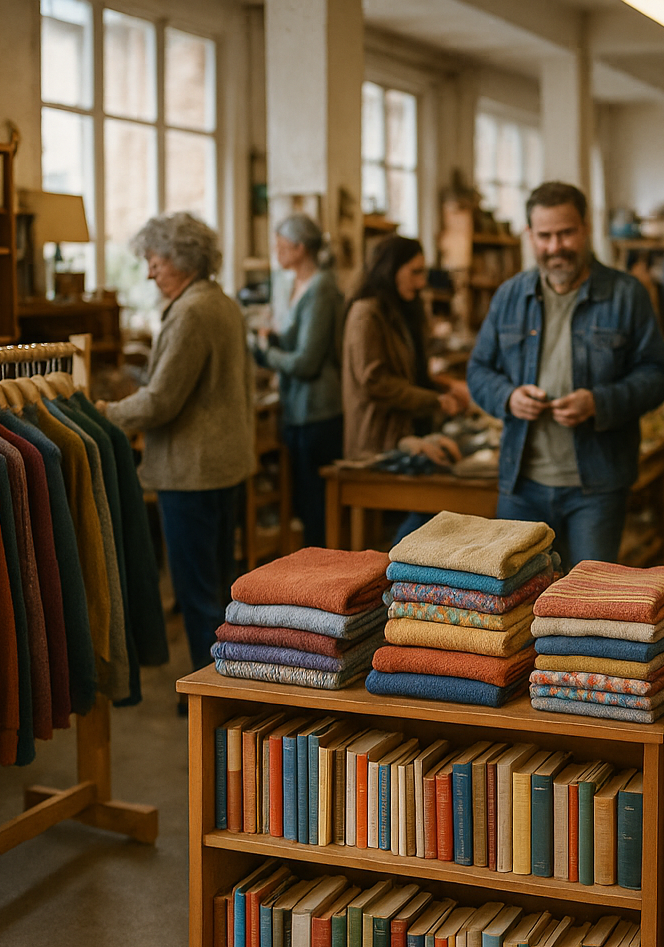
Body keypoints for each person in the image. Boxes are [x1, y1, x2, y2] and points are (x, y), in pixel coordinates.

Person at [467, 181, 664, 566]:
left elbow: (657, 375)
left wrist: (599, 403)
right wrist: (508, 397)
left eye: (566, 233)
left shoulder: (627, 294)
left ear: (586, 228)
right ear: (529, 235)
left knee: (587, 595)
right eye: (544, 236)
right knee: (517, 596)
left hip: (597, 488)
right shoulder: (509, 296)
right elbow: (478, 370)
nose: (555, 247)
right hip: (521, 486)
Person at [102, 212, 254, 681]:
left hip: (192, 473)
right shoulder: (221, 302)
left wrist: (102, 413)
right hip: (223, 466)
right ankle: (228, 687)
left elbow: (161, 401)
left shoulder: (190, 311)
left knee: (197, 594)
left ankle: (208, 695)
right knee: (221, 588)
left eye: (155, 261)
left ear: (182, 259)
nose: (149, 273)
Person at [252, 213, 344, 549]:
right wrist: (274, 340)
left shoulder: (321, 288)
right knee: (305, 505)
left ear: (300, 248)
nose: (276, 251)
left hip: (317, 410)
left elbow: (306, 362)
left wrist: (266, 353)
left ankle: (323, 575)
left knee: (316, 507)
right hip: (299, 408)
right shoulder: (297, 285)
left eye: (281, 245)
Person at [341, 233, 466, 462]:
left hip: (406, 435)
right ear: (390, 269)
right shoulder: (366, 313)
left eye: (422, 273)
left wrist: (444, 388)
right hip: (377, 442)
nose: (421, 283)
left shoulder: (402, 310)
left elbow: (410, 374)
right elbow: (375, 381)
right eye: (414, 272)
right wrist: (434, 400)